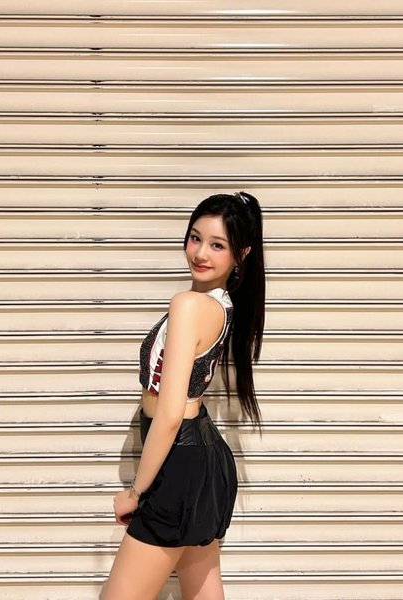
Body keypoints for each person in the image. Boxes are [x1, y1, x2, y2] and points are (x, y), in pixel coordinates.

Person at [101, 191, 265, 600]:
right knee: (201, 592)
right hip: (200, 461)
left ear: (241, 254)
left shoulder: (189, 305)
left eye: (217, 245)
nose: (201, 253)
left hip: (180, 462)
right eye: (195, 238)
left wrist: (135, 493)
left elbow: (171, 413)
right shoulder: (220, 305)